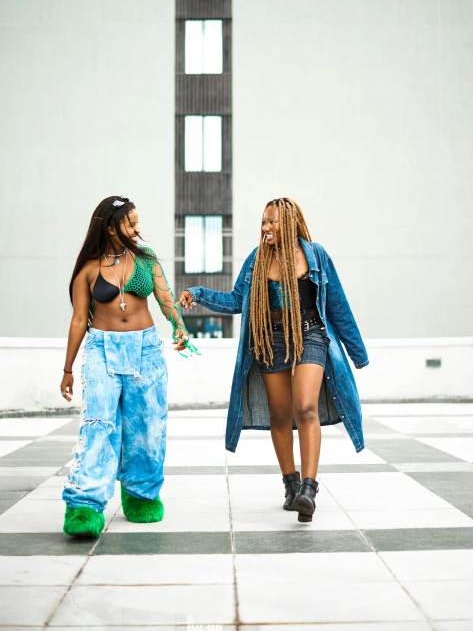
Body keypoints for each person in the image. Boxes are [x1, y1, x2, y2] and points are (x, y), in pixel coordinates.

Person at [178, 197, 368, 522]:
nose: (266, 228)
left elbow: (337, 305)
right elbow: (237, 300)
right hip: (270, 341)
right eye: (263, 222)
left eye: (272, 221)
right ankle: (291, 484)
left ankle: (309, 488)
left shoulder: (315, 255)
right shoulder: (257, 260)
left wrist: (357, 353)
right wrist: (198, 294)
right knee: (280, 416)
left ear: (289, 222)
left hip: (310, 335)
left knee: (305, 407)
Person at [60, 196, 198, 538]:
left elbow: (166, 302)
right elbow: (79, 319)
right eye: (130, 223)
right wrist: (67, 369)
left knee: (148, 424)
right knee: (98, 424)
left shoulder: (147, 261)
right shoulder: (89, 269)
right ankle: (84, 504)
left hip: (146, 350)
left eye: (137, 222)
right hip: (101, 350)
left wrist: (180, 327)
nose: (137, 229)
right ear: (110, 228)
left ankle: (141, 494)